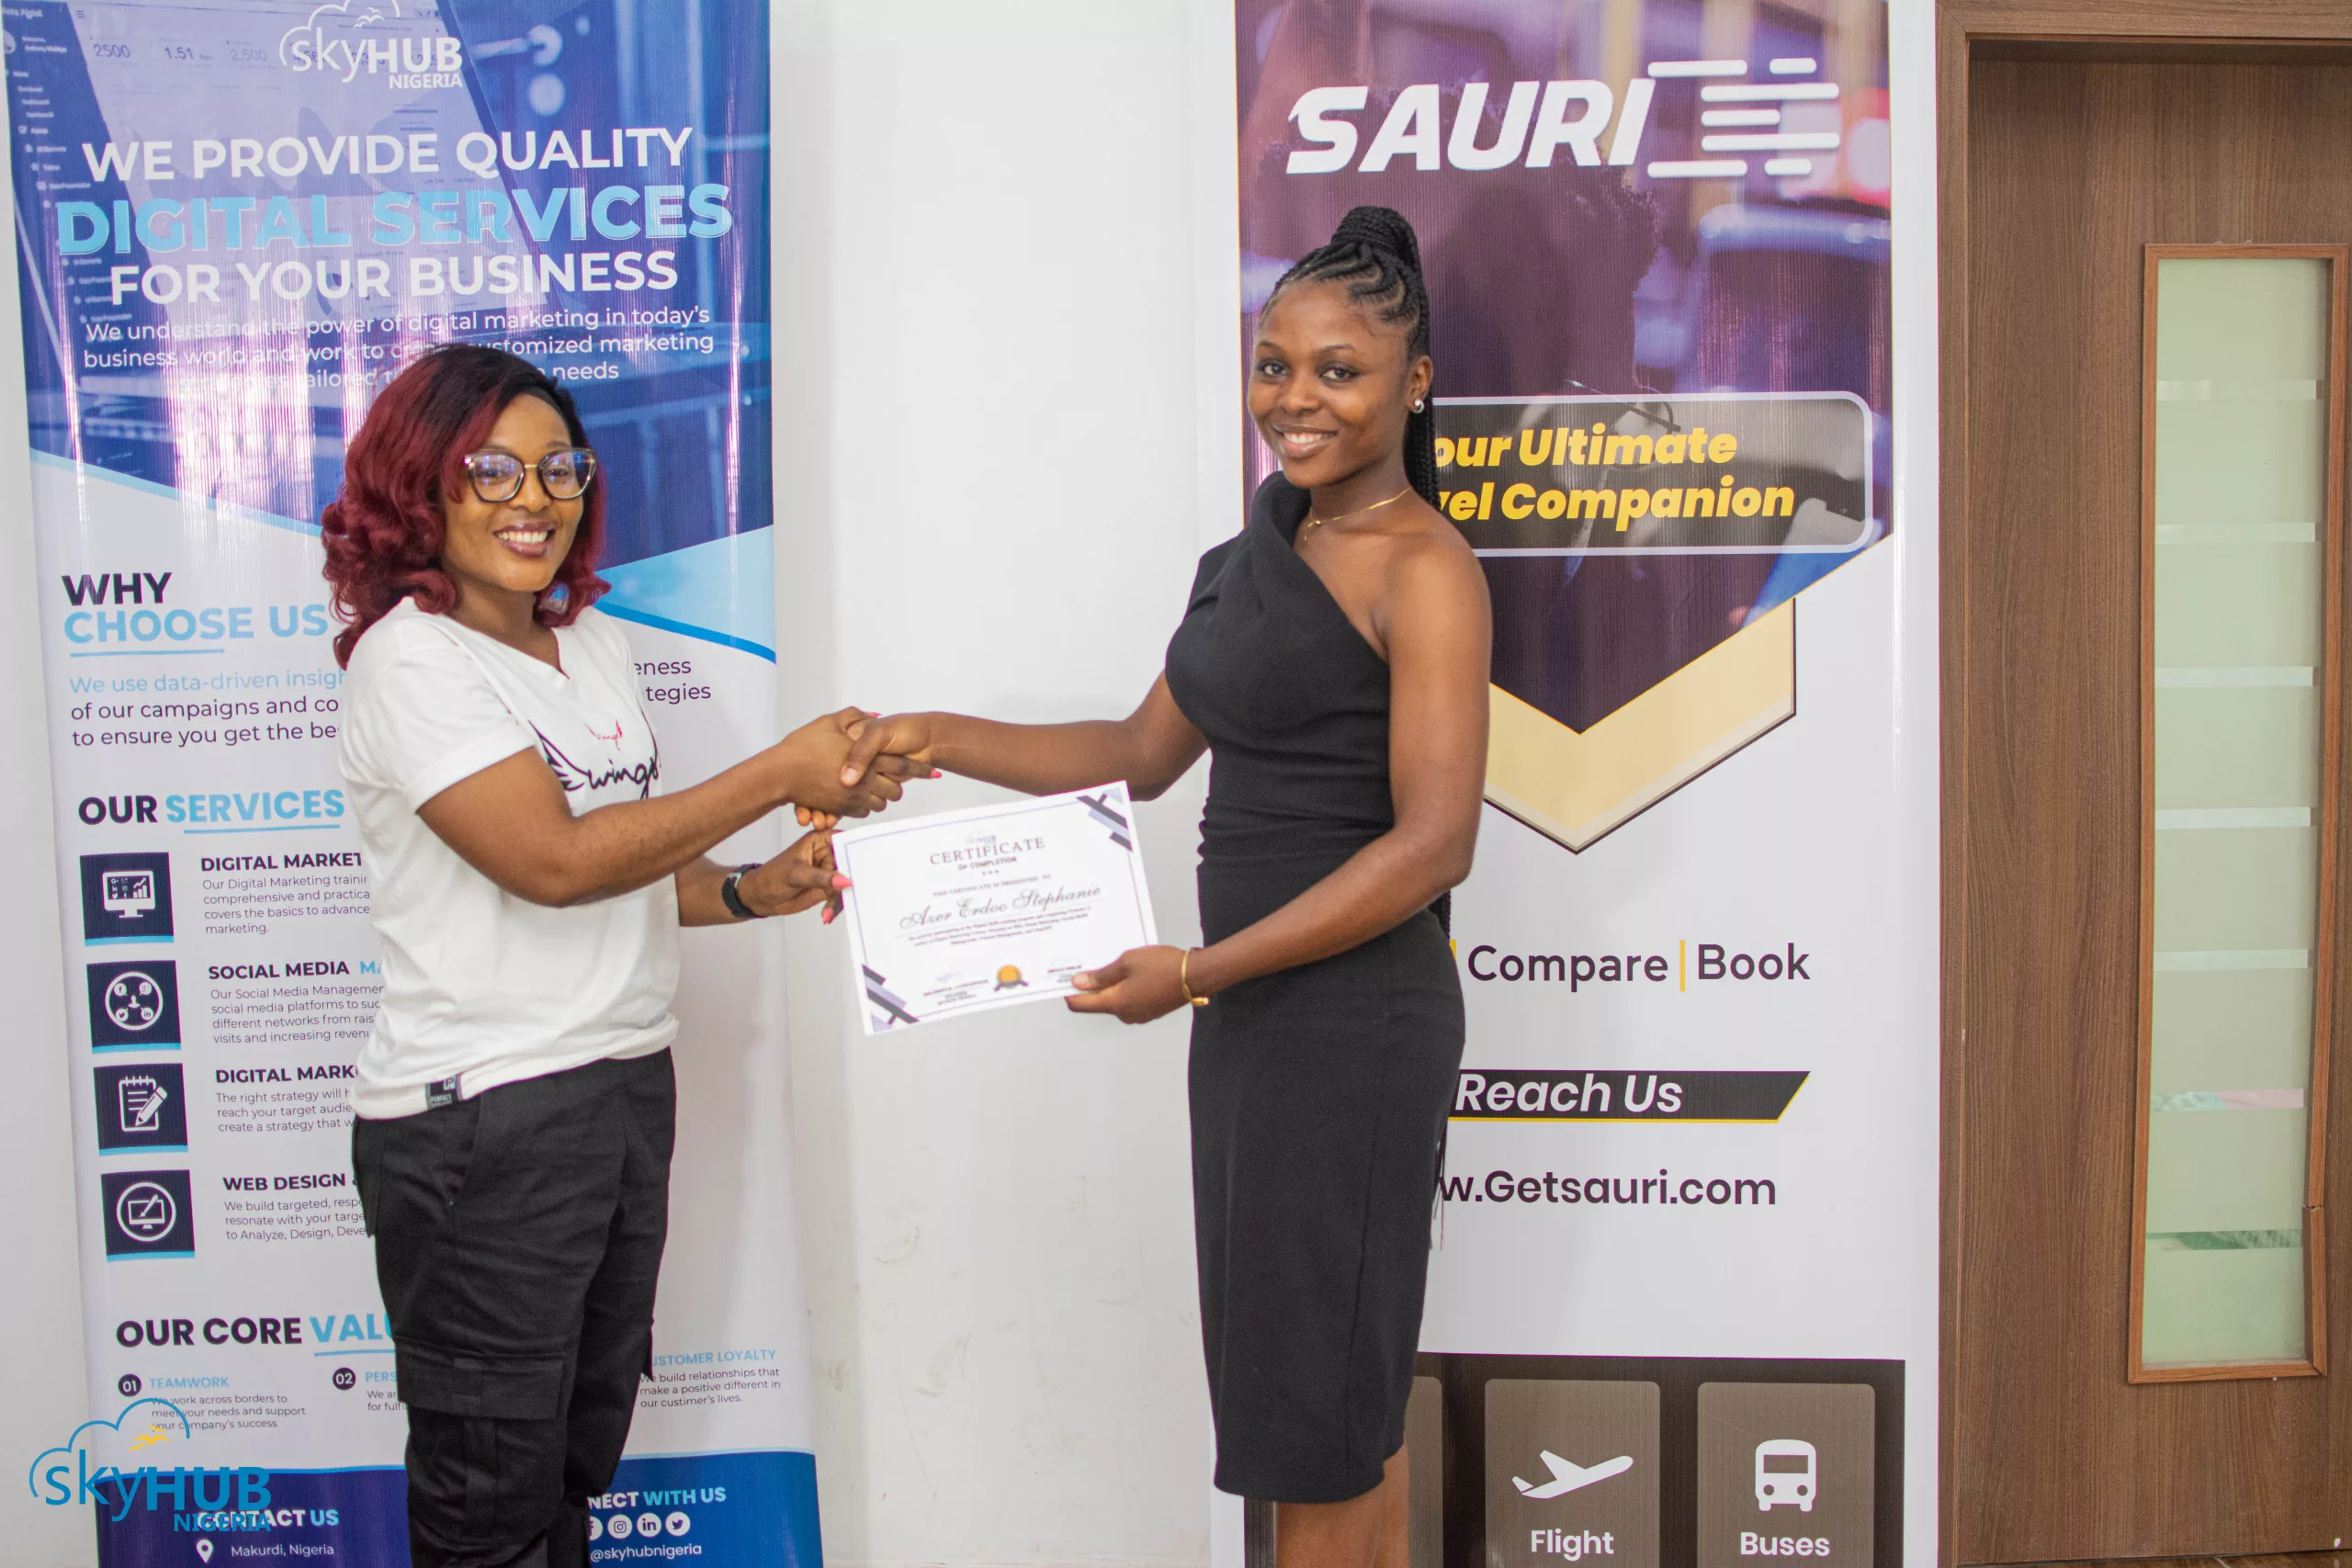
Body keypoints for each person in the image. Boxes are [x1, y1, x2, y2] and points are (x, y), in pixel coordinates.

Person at [838, 208, 1490, 1568]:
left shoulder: (1428, 570)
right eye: (1274, 365)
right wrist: (934, 733)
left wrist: (1196, 972)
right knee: (1321, 1405)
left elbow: (1434, 846)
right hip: (1255, 1019)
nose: (1295, 398)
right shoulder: (1248, 562)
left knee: (1321, 1416)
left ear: (1415, 381)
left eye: (1339, 370)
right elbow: (1139, 755)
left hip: (1351, 1023)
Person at [321, 344, 916, 1568]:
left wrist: (752, 887)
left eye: (561, 469)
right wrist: (779, 770)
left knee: (570, 1470)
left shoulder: (587, 642)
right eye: (492, 469)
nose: (534, 497)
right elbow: (551, 862)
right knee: (488, 1504)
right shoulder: (411, 658)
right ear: (422, 484)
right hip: (485, 1120)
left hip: (622, 1087)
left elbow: (621, 856)